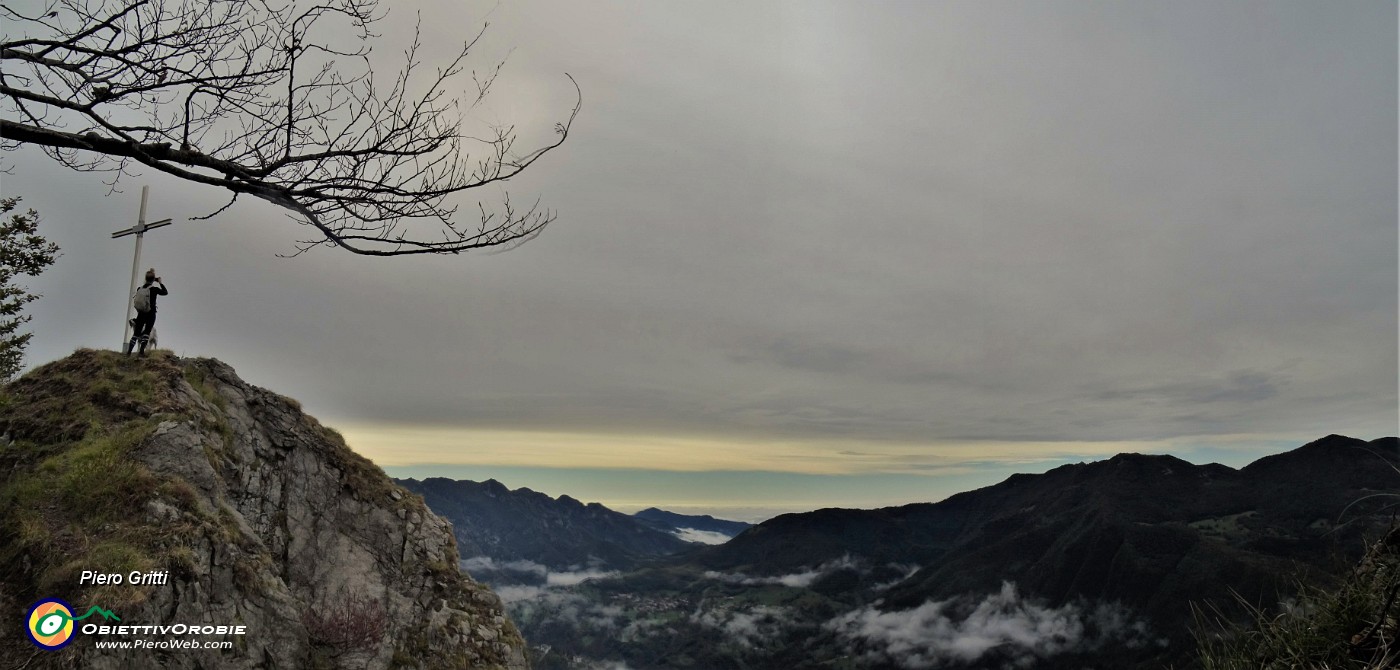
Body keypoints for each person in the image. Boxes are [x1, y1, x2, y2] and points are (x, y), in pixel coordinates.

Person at [127, 268, 168, 357]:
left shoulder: (139, 289)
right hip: (151, 313)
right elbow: (165, 292)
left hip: (141, 313)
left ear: (145, 278)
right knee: (147, 332)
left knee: (136, 333)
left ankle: (129, 352)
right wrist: (160, 282)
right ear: (154, 280)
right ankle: (141, 351)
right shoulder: (154, 289)